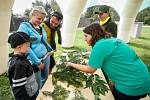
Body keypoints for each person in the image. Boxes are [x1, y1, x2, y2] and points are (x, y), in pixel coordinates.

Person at [65, 23, 150, 100]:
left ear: (94, 35)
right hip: (145, 81)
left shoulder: (99, 46)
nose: (84, 39)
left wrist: (72, 64)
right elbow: (119, 61)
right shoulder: (112, 39)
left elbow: (90, 69)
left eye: (86, 36)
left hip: (130, 87)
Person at [17, 6, 53, 92]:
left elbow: (44, 40)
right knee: (36, 81)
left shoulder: (40, 27)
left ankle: (43, 93)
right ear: (32, 15)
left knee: (45, 77)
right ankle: (37, 95)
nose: (40, 21)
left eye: (42, 19)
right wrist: (37, 62)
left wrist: (50, 50)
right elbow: (25, 47)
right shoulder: (24, 27)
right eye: (39, 18)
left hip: (46, 57)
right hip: (34, 61)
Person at [7, 32, 38, 100]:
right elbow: (19, 90)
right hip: (27, 97)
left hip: (30, 92)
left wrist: (34, 68)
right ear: (19, 47)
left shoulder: (21, 58)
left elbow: (25, 71)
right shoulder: (19, 64)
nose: (29, 48)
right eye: (27, 46)